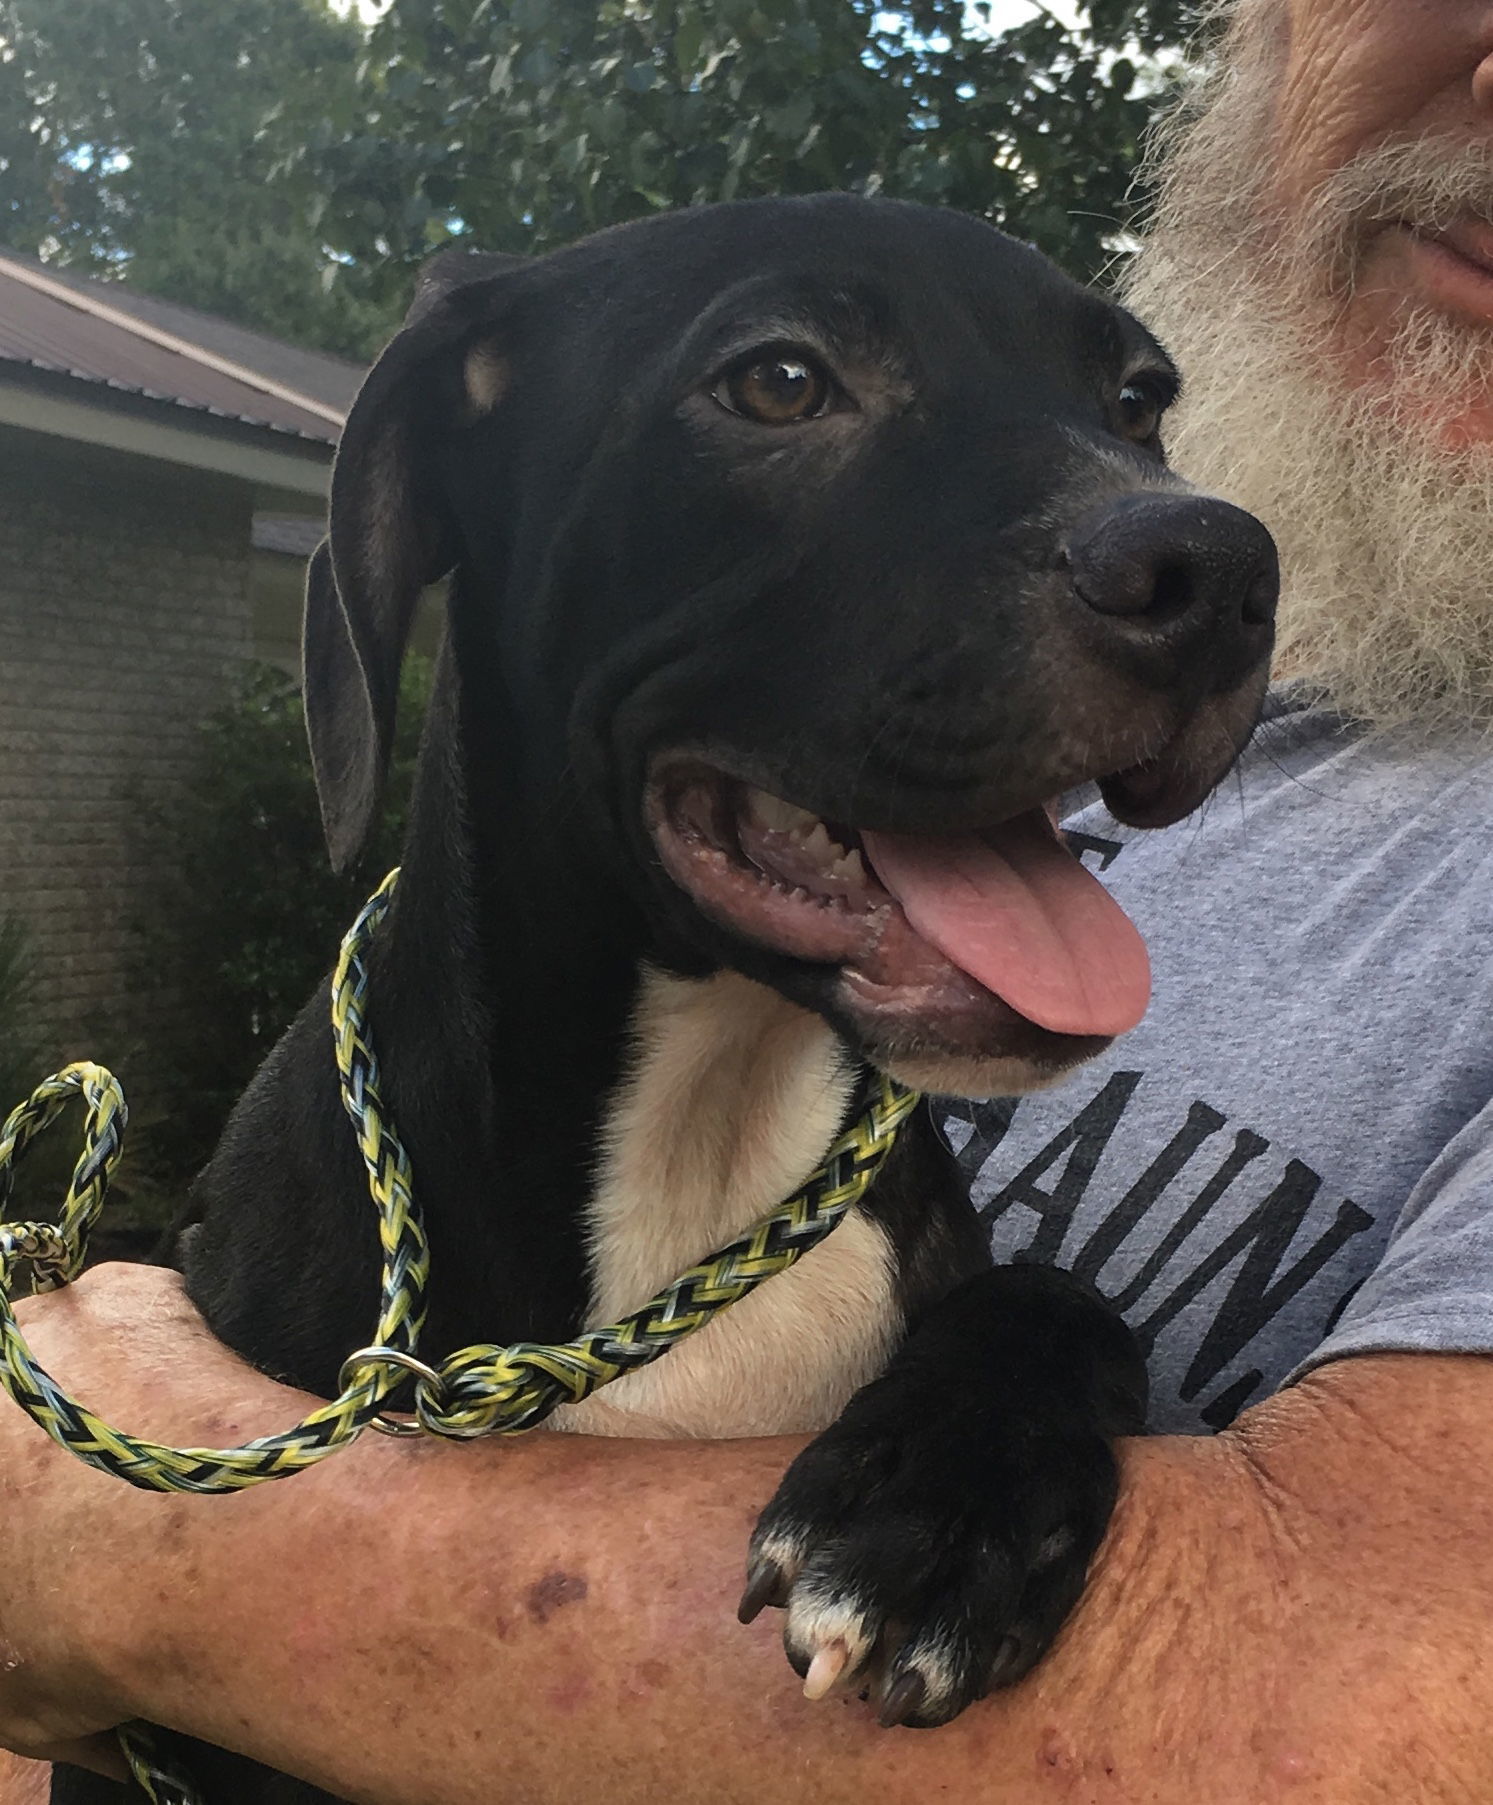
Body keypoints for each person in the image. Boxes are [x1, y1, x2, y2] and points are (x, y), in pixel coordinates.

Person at [6, 0, 1493, 1797]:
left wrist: (140, 1538)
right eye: (782, 384)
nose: (1151, 515)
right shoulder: (318, 1203)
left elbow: (1371, 1697)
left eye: (1122, 412)